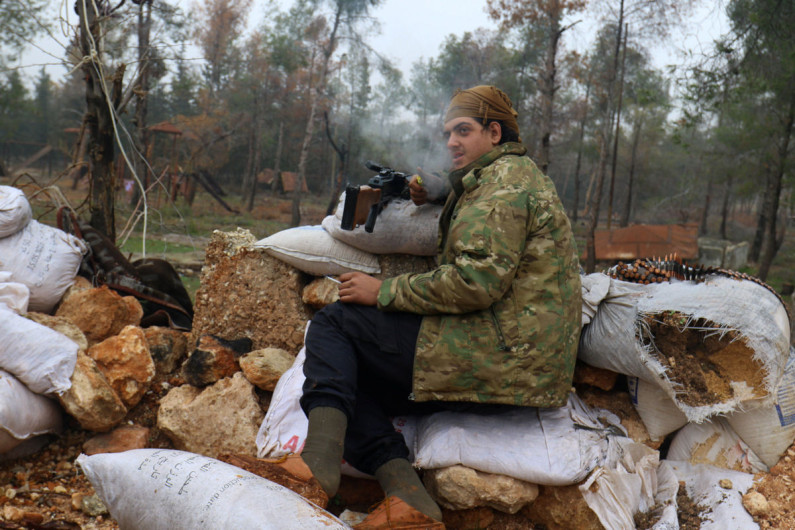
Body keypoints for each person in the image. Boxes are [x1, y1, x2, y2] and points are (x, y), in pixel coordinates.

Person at [269, 85, 581, 528]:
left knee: (336, 326)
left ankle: (314, 468)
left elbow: (476, 282)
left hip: (499, 358)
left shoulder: (503, 188)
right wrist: (441, 189)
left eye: (463, 131)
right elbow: (476, 204)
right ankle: (409, 498)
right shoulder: (507, 177)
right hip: (515, 362)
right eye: (447, 132)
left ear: (494, 132)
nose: (451, 141)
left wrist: (385, 291)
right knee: (349, 377)